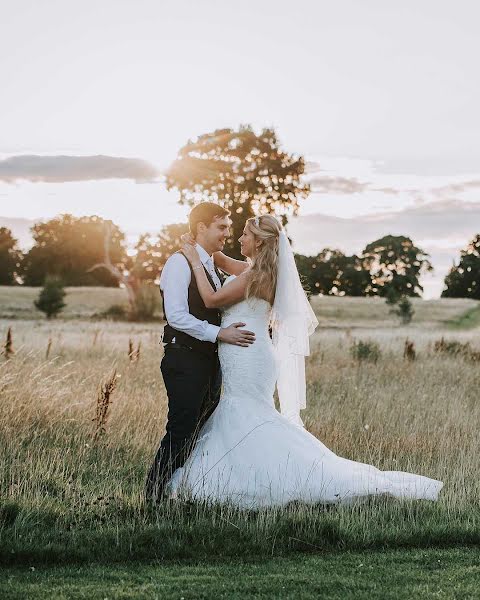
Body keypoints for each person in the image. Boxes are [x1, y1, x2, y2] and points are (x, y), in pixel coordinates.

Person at [165, 213, 443, 507]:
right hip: (247, 353)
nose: (239, 238)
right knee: (246, 415)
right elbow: (220, 260)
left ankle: (288, 477)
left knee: (249, 415)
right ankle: (256, 473)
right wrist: (197, 243)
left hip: (248, 355)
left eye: (246, 234)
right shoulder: (255, 270)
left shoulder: (256, 276)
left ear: (258, 242)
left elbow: (210, 299)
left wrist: (192, 259)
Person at [145, 202, 256, 503]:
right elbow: (177, 315)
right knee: (182, 427)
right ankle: (153, 498)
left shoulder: (207, 263)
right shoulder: (179, 263)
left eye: (228, 227)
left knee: (200, 430)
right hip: (184, 358)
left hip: (209, 361)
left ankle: (179, 494)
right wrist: (220, 334)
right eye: (221, 227)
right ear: (201, 227)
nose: (227, 233)